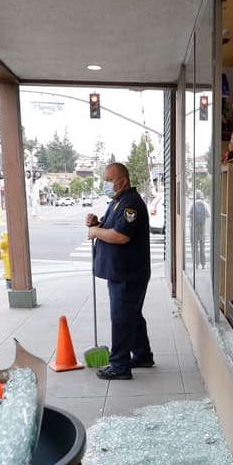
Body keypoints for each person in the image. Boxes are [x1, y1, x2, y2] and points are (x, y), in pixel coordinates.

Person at [85, 163, 153, 380]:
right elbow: (111, 227)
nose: (105, 184)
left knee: (122, 318)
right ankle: (142, 355)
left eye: (108, 180)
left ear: (122, 181)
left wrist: (95, 231)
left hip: (127, 274)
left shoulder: (130, 204)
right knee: (131, 315)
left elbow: (121, 236)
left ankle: (119, 366)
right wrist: (97, 223)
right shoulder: (117, 201)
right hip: (122, 272)